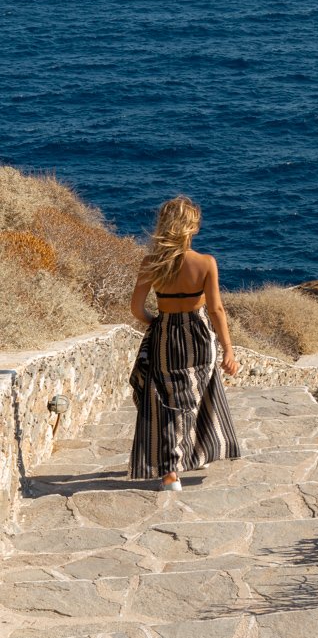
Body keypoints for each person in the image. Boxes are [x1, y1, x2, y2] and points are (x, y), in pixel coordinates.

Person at [128, 195, 241, 490]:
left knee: (167, 400)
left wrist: (157, 323)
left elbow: (136, 309)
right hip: (199, 335)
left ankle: (170, 474)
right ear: (191, 228)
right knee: (197, 395)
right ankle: (193, 454)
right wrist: (228, 350)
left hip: (165, 333)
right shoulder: (205, 263)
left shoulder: (151, 263)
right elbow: (216, 310)